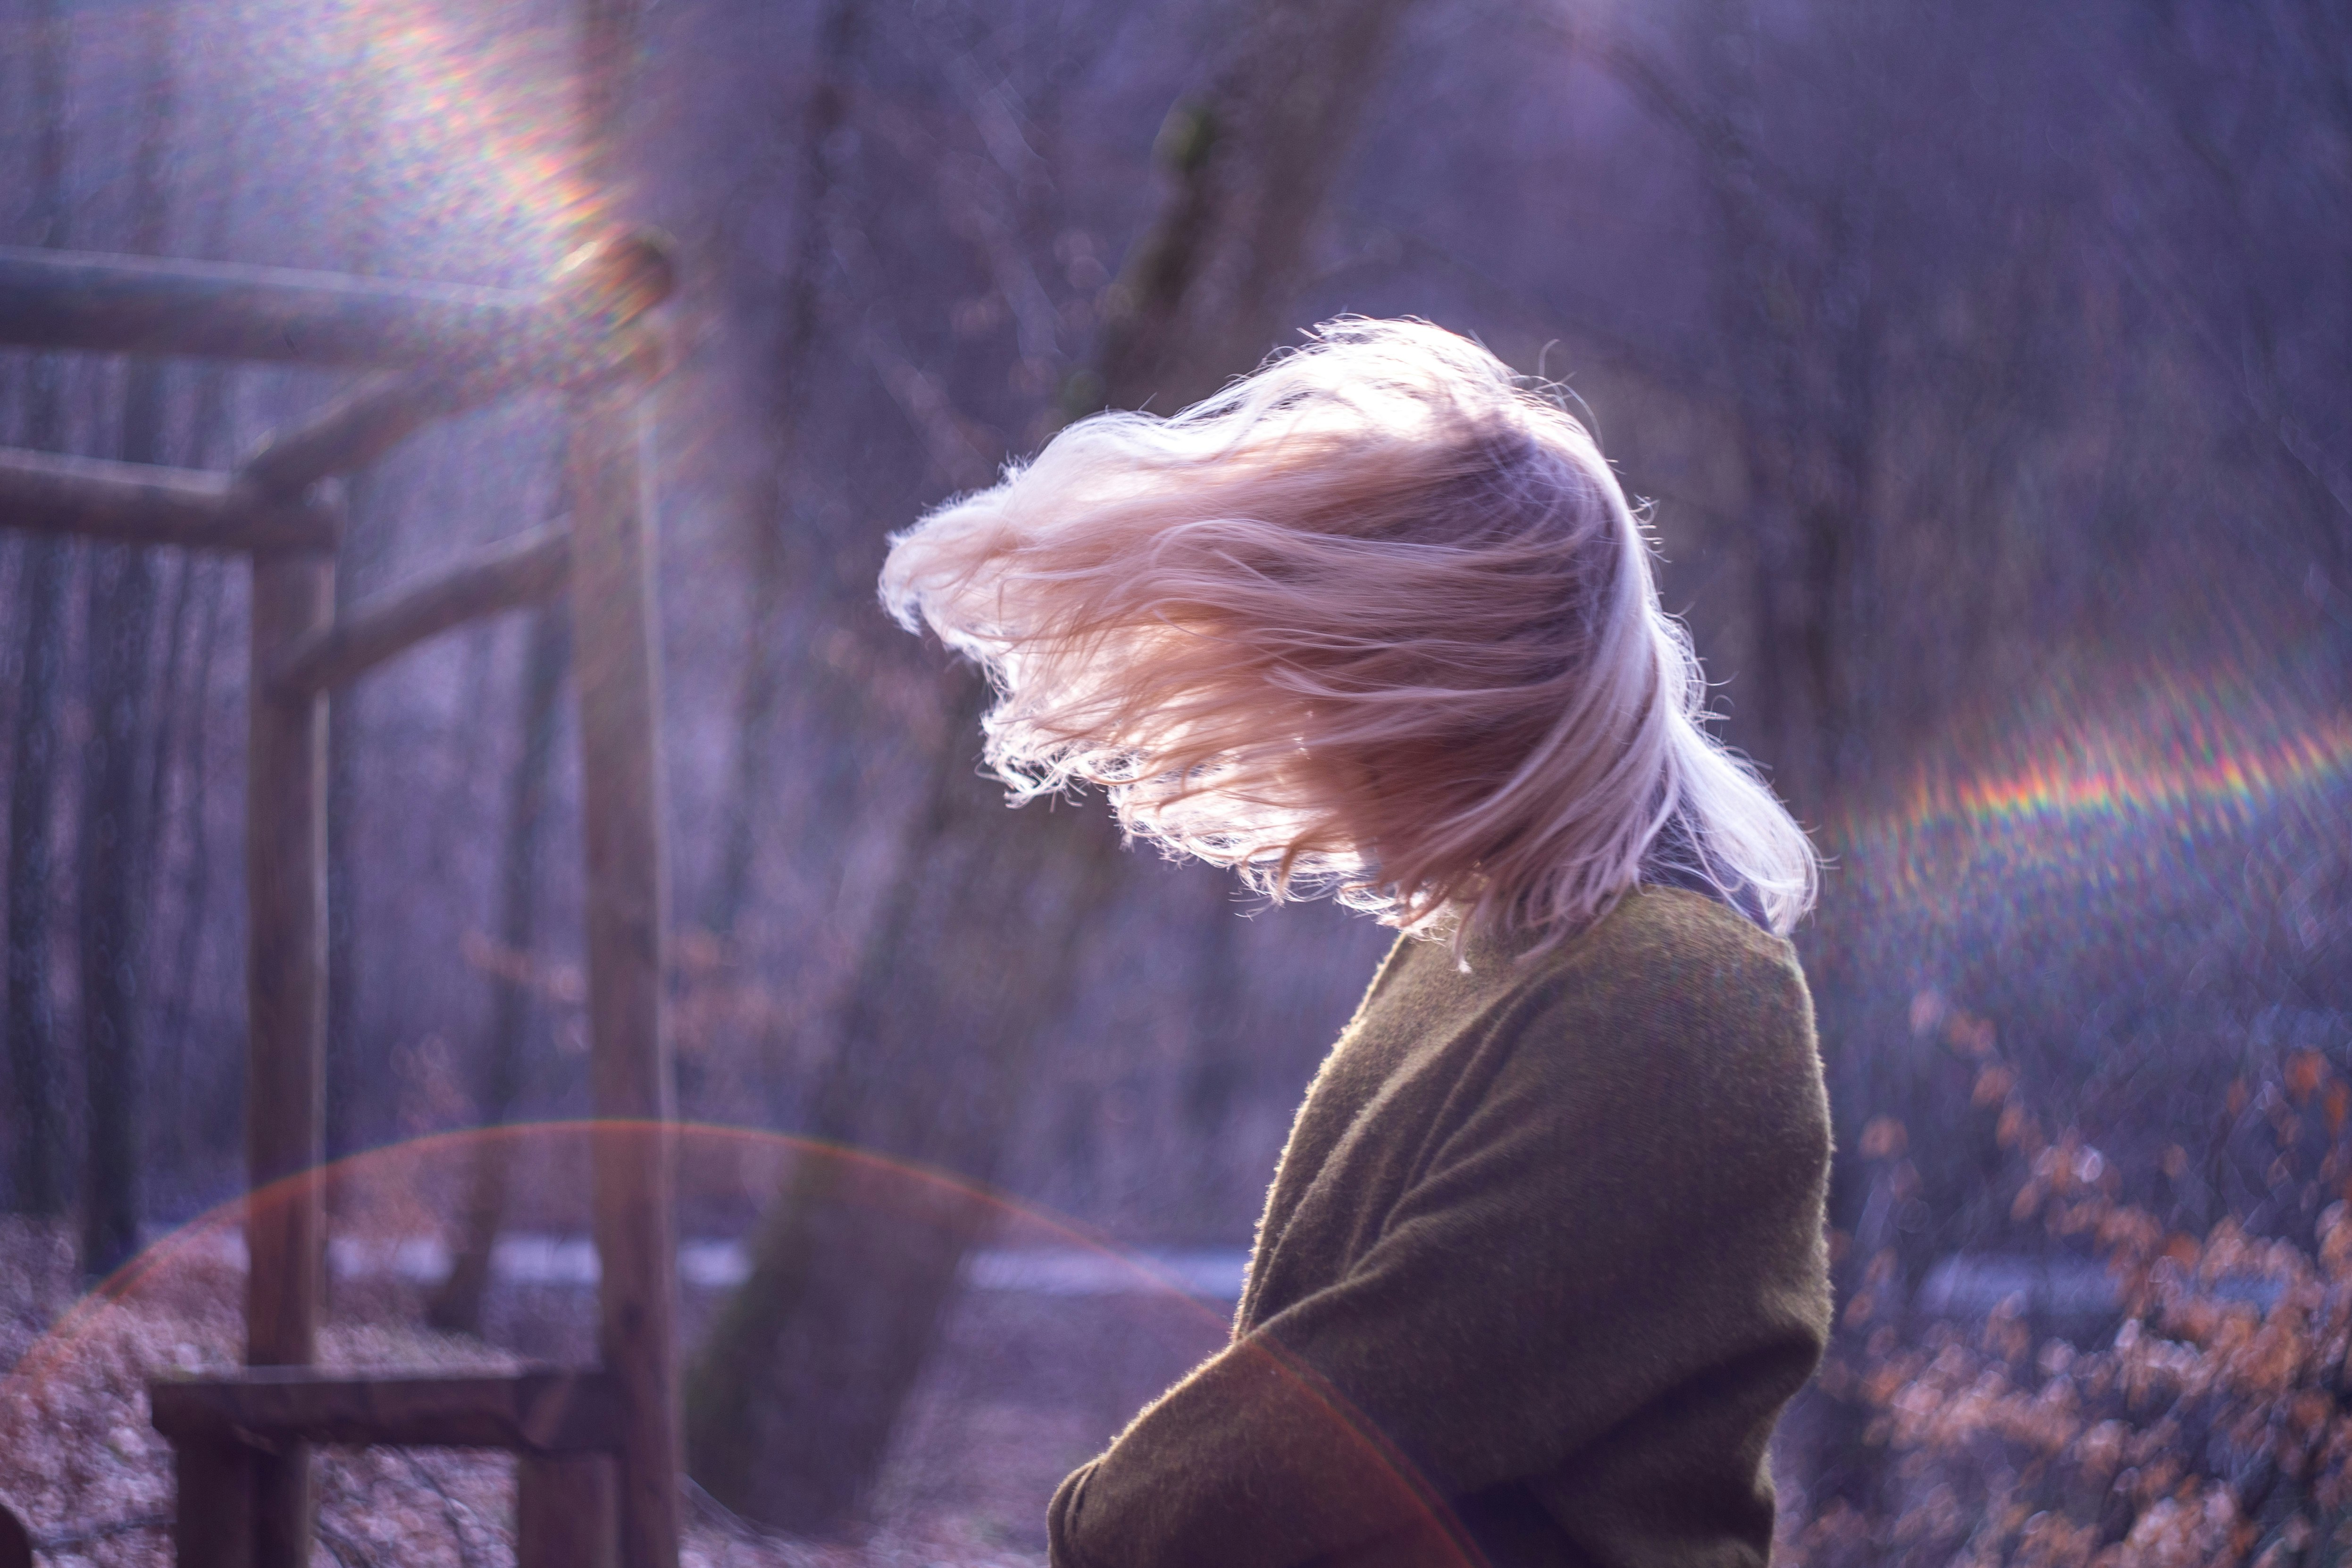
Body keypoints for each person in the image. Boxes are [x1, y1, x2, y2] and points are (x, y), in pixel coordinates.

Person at [879, 319, 1833, 1568]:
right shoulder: (1486, 951)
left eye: (1349, 699)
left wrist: (1098, 1524)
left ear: (1470, 700)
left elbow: (1346, 1418)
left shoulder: (1683, 997)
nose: (1317, 748)